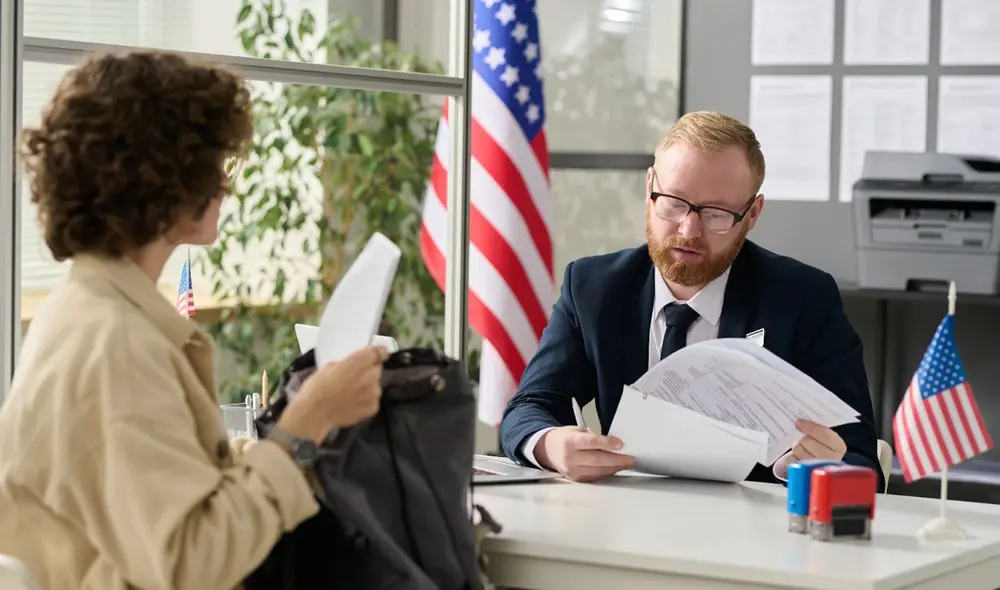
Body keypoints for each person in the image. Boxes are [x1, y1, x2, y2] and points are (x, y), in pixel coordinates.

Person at [0, 51, 385, 590]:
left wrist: (271, 443)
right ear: (162, 180)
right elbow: (190, 562)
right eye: (210, 165)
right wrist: (305, 425)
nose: (224, 186)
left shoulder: (89, 313)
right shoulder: (116, 344)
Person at [499, 111, 882, 488]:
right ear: (649, 188)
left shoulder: (804, 299)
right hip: (623, 525)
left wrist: (809, 468)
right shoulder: (593, 287)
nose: (689, 229)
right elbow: (529, 409)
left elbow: (860, 457)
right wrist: (550, 445)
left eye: (716, 213)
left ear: (752, 214)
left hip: (754, 538)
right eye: (674, 202)